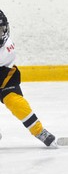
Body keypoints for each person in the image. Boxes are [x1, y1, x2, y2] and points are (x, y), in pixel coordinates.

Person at [0, 10, 56, 148]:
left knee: (15, 102)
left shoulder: (7, 48)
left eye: (0, 30)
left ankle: (39, 131)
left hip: (5, 77)